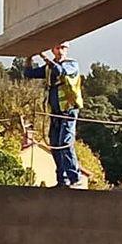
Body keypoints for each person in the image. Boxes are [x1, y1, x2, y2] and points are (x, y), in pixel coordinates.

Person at [24, 41, 84, 187]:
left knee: (65, 143)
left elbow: (61, 71)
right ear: (53, 49)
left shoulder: (71, 64)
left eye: (63, 48)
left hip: (68, 111)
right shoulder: (48, 68)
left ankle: (75, 179)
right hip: (55, 113)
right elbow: (29, 73)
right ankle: (62, 180)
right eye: (58, 48)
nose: (60, 51)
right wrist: (29, 59)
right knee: (55, 144)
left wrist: (44, 57)